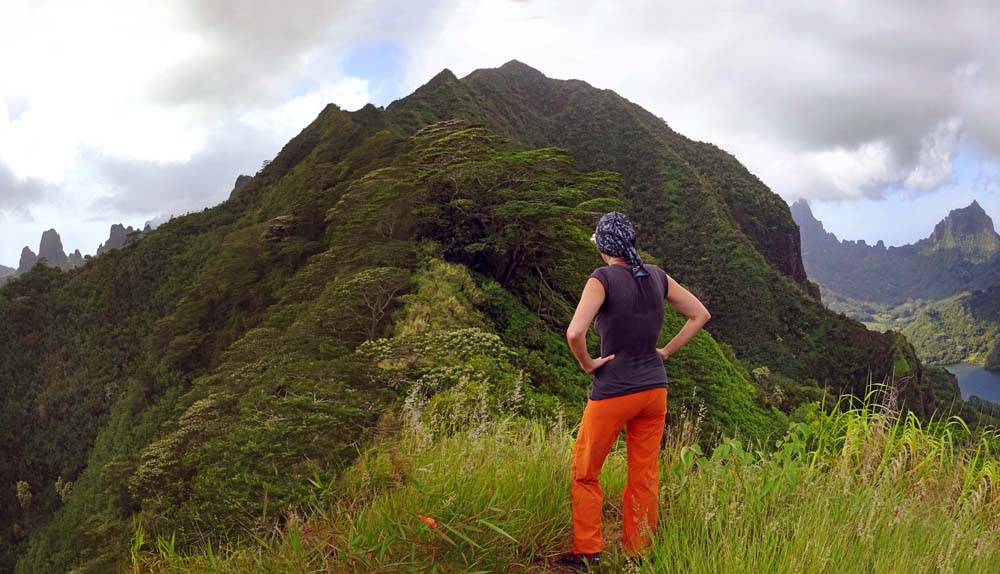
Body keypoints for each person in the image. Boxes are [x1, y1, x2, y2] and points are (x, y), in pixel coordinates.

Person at [557, 211, 711, 571]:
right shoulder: (656, 275)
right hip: (654, 391)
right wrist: (666, 352)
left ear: (604, 244)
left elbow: (574, 333)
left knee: (585, 471)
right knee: (643, 475)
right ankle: (639, 554)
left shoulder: (602, 279)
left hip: (613, 390)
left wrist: (588, 364)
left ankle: (588, 552)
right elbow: (700, 314)